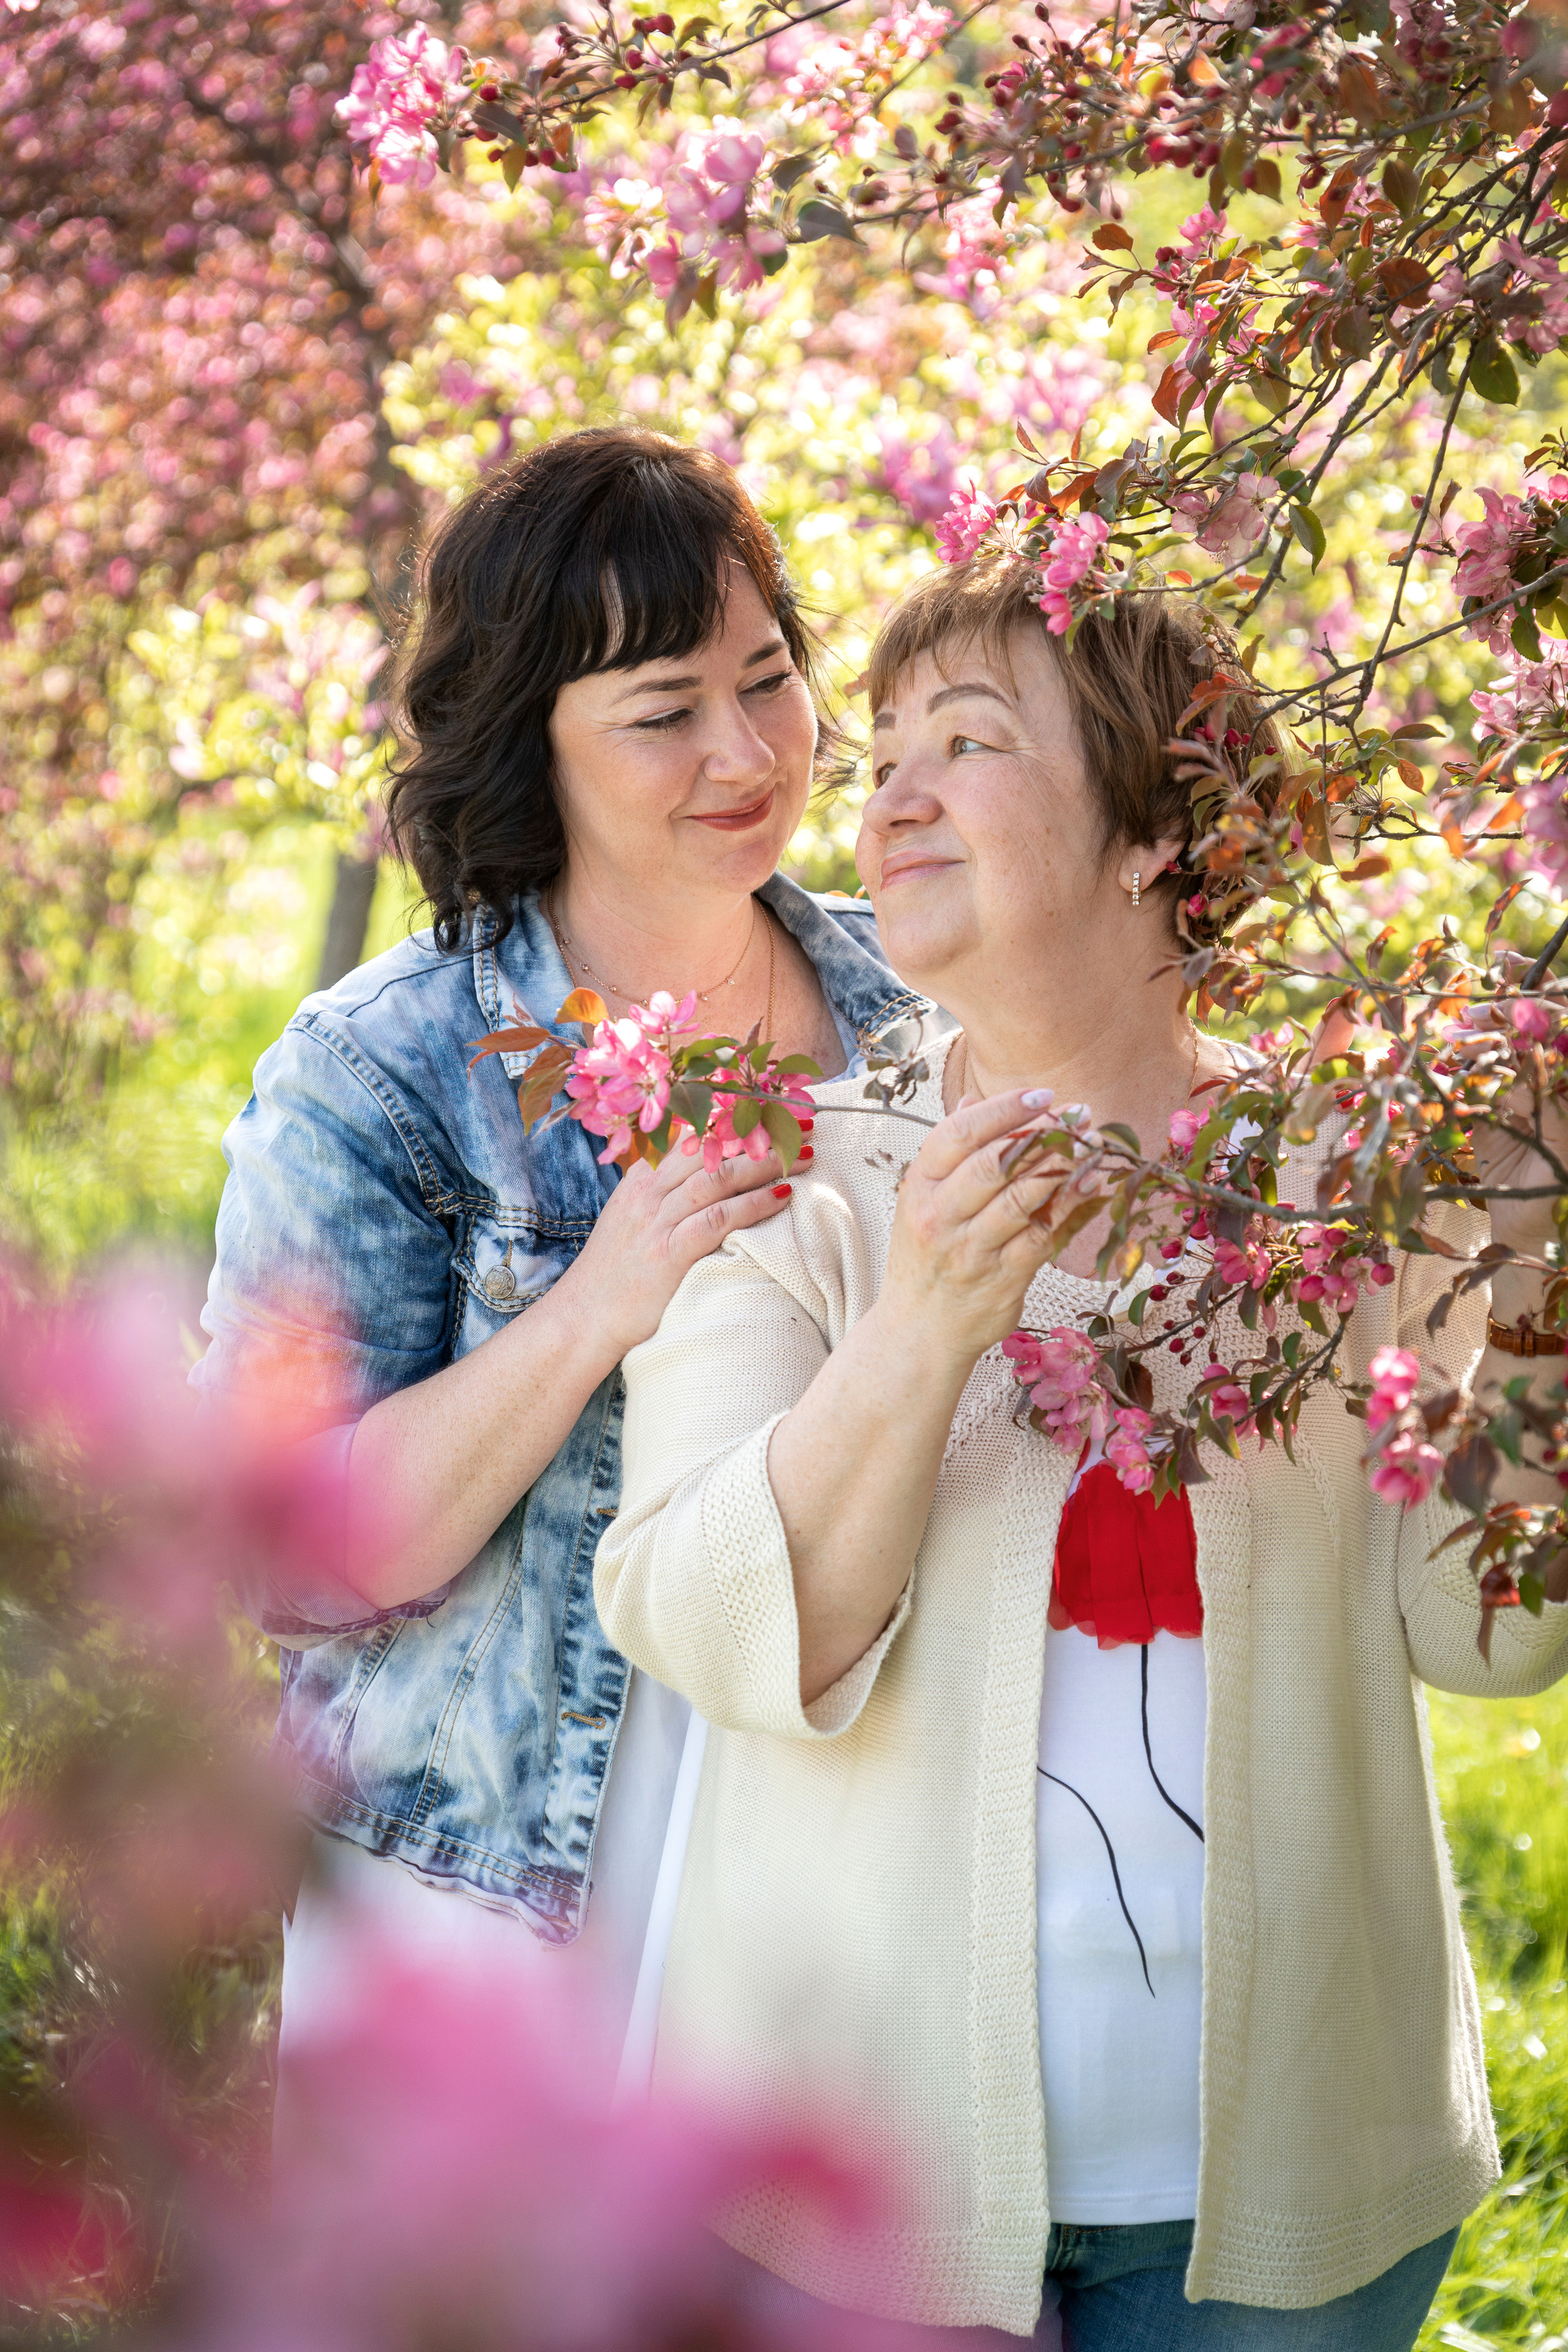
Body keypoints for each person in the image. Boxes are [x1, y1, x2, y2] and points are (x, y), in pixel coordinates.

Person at [595, 553, 1568, 2346]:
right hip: (854, 2206)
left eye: (967, 742)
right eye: (885, 749)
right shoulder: (792, 1180)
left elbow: (1494, 1639)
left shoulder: (1355, 1189)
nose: (891, 795)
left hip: (1294, 2204)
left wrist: (1527, 1274)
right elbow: (706, 1622)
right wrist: (922, 1327)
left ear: (1154, 831)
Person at [191, 425, 932, 2100]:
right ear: (533, 739)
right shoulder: (383, 1068)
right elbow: (290, 1557)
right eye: (665, 711)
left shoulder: (919, 1017)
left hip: (850, 1871)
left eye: (770, 679)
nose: (747, 751)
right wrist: (600, 1301)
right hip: (498, 1899)